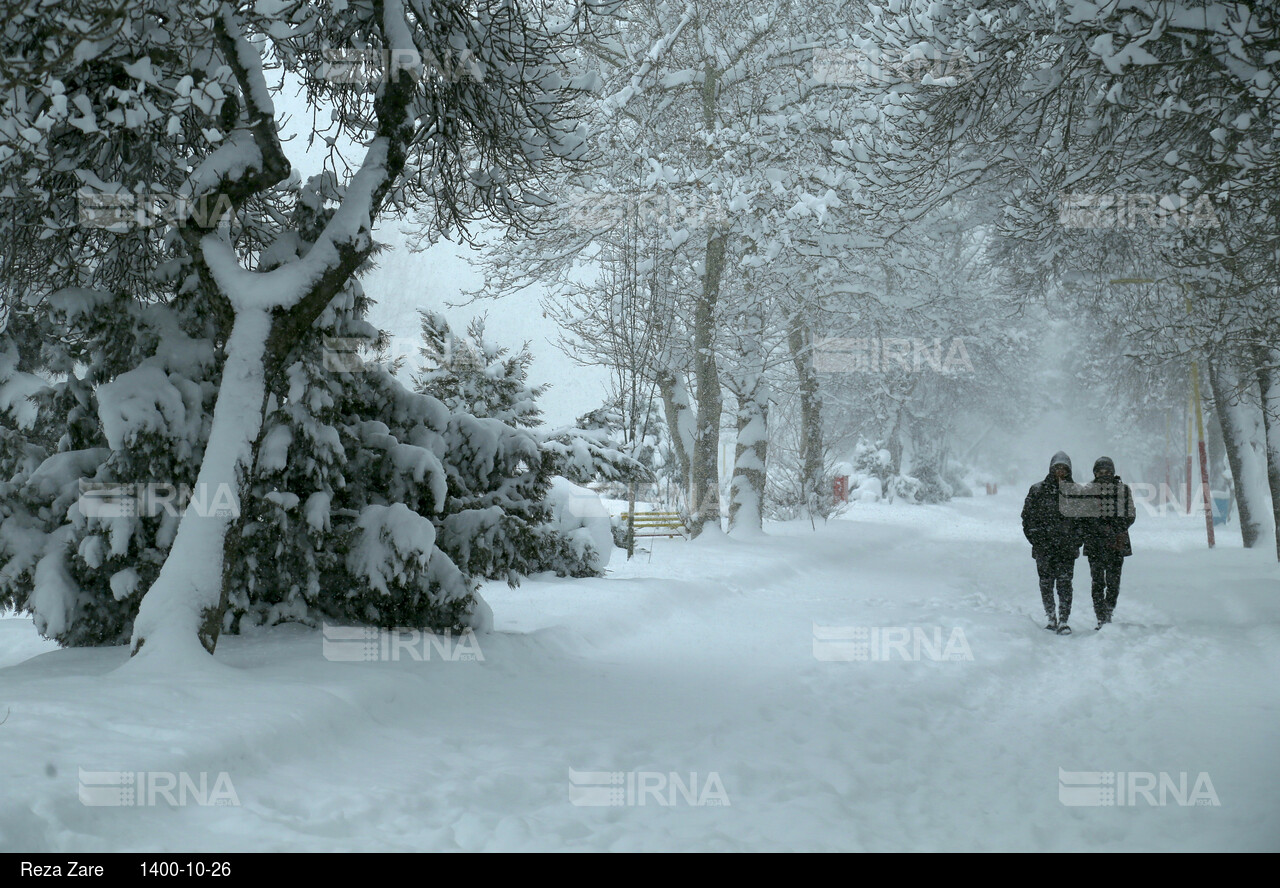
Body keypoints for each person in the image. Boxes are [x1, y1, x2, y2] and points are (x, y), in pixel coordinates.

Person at [1021, 451, 1083, 634]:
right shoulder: (1037, 490)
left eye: (1064, 468)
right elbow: (1027, 518)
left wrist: (1075, 541)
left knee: (1064, 584)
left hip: (1066, 548)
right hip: (1043, 547)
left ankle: (1064, 620)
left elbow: (1083, 521)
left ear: (1069, 470)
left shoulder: (1077, 492)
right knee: (1046, 583)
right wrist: (1036, 539)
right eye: (1057, 467)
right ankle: (1051, 618)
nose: (1060, 471)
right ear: (1051, 468)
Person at [1079, 456, 1136, 629]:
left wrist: (1113, 527)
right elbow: (1082, 516)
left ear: (1113, 472)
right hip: (1094, 542)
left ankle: (1108, 611)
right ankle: (1100, 616)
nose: (1104, 475)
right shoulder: (1087, 491)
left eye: (1107, 472)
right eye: (1100, 472)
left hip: (1117, 542)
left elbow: (1130, 514)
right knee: (1097, 582)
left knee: (1113, 582)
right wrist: (1096, 528)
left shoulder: (1123, 490)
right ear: (1095, 473)